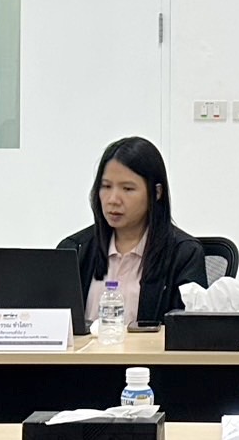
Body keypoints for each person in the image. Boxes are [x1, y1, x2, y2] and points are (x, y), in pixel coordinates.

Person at [57, 136, 207, 327]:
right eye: (106, 186)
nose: (113, 199)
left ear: (156, 193)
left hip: (150, 349)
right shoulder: (75, 250)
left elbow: (188, 331)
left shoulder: (183, 254)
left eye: (127, 189)